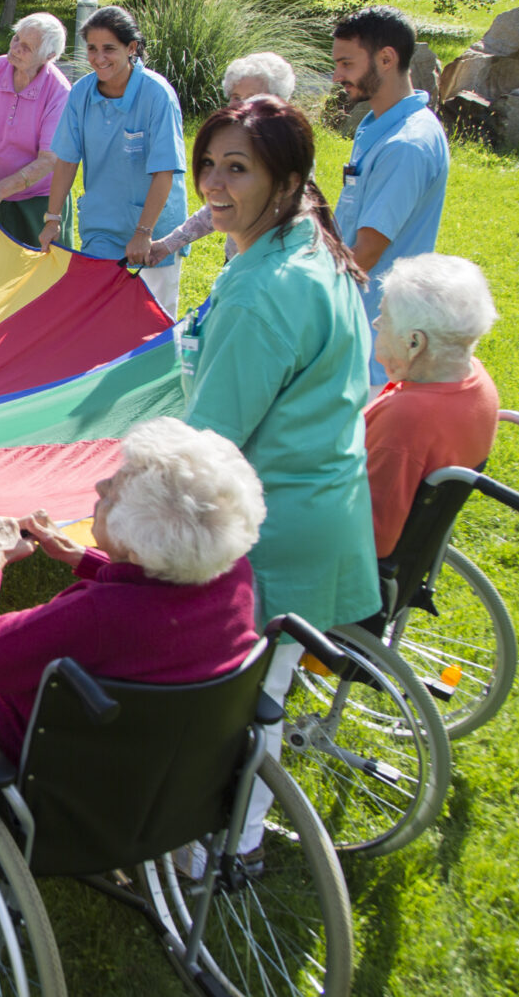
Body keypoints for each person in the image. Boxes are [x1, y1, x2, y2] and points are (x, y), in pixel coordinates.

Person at [177, 95, 378, 850]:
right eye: (209, 165)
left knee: (225, 709)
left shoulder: (265, 291)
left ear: (287, 180)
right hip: (320, 507)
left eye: (238, 169)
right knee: (268, 695)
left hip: (266, 527)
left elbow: (207, 447)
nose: (214, 186)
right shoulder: (314, 249)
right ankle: (242, 839)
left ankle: (210, 852)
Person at [0, 417, 263, 765]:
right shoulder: (232, 578)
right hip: (147, 756)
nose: (100, 483)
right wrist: (78, 556)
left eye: (111, 493)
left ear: (136, 541)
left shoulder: (99, 616)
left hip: (22, 754)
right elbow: (156, 591)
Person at [41, 6, 190, 317]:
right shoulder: (81, 92)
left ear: (131, 48)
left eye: (109, 48)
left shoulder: (157, 94)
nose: (98, 58)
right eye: (92, 49)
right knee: (99, 317)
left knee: (151, 324)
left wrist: (144, 232)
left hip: (155, 229)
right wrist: (53, 219)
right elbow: (67, 160)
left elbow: (165, 170)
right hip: (102, 225)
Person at [331, 5, 450, 381]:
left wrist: (307, 304)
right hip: (355, 327)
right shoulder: (378, 124)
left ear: (386, 59)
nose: (337, 76)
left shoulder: (406, 146)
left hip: (374, 343)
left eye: (347, 64)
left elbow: (366, 251)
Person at [364, 254, 500, 557]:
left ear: (415, 343)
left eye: (383, 318)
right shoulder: (474, 379)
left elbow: (374, 540)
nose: (376, 325)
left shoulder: (407, 421)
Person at [150, 51, 298, 264]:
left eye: (253, 98)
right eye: (236, 97)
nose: (242, 106)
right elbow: (219, 203)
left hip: (271, 266)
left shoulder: (288, 147)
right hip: (237, 261)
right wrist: (168, 245)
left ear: (277, 101)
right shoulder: (234, 145)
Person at [0, 12, 72, 247]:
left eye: (27, 47)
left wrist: (0, 190)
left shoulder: (59, 91)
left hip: (36, 202)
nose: (16, 48)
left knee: (35, 277)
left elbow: (49, 160)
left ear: (48, 56)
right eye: (16, 39)